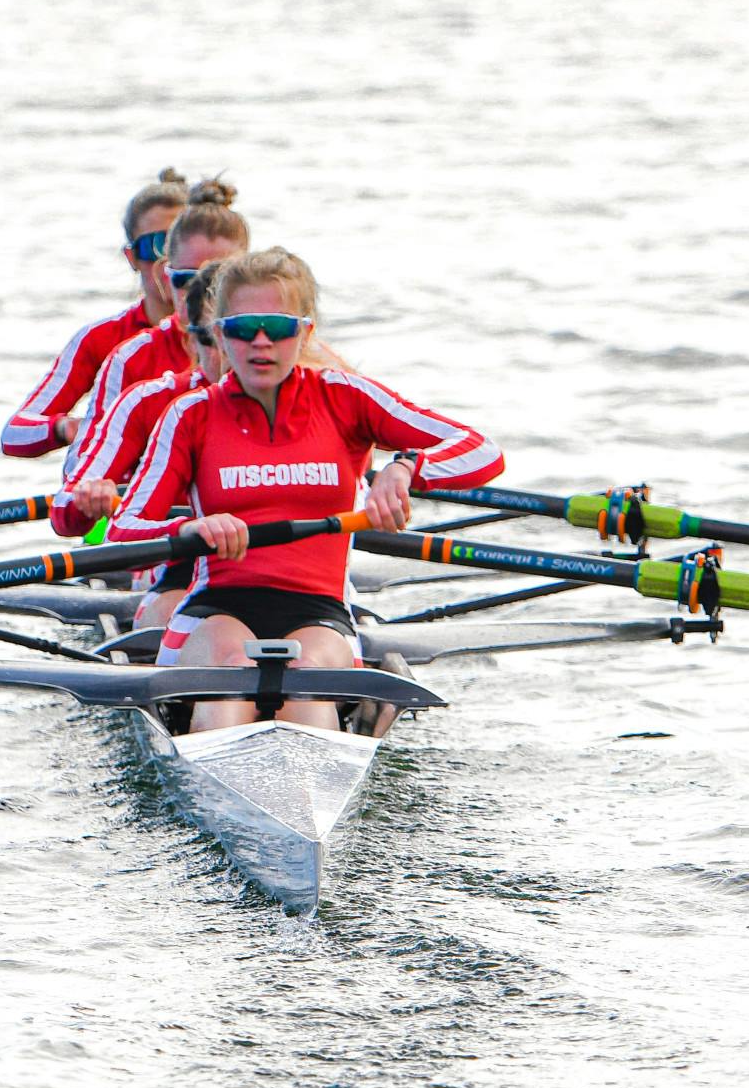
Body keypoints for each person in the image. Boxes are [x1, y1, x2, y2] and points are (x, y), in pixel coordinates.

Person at [106, 247, 504, 732]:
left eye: (276, 328)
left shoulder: (345, 397)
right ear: (217, 334)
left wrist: (404, 469)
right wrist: (191, 526)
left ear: (305, 332)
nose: (260, 343)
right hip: (216, 610)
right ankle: (222, 786)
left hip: (320, 610)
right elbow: (124, 530)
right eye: (241, 328)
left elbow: (481, 451)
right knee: (231, 673)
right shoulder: (190, 415)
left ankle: (300, 791)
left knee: (306, 685)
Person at [51, 261, 231, 630]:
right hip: (183, 567)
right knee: (176, 616)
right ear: (191, 338)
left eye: (259, 333)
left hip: (299, 588)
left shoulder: (330, 395)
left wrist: (388, 467)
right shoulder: (164, 404)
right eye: (215, 339)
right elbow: (69, 509)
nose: (232, 355)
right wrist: (86, 499)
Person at [0, 169, 188, 458]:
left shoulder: (238, 335)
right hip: (115, 492)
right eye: (156, 245)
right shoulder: (102, 339)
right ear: (132, 258)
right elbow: (16, 432)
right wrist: (66, 428)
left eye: (179, 245)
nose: (168, 262)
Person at [71, 178, 249, 458]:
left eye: (219, 278)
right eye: (187, 279)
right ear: (167, 275)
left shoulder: (285, 350)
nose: (202, 293)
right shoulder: (129, 359)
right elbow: (78, 471)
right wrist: (66, 430)